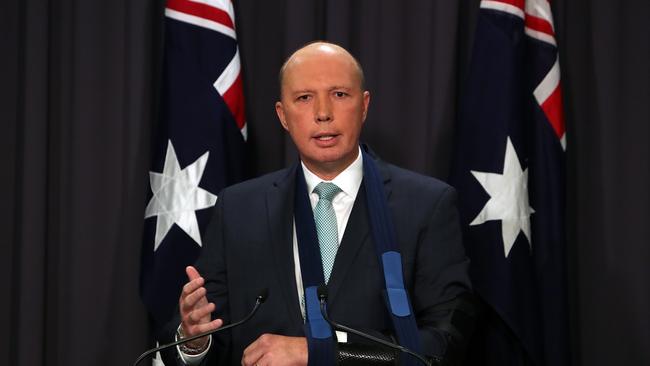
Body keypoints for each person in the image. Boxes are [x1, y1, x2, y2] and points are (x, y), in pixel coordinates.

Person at [163, 41, 474, 366]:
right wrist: (194, 342)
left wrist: (320, 353)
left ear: (364, 105)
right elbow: (204, 332)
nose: (323, 113)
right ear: (283, 116)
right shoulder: (239, 209)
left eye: (339, 94)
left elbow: (445, 344)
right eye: (304, 98)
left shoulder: (427, 205)